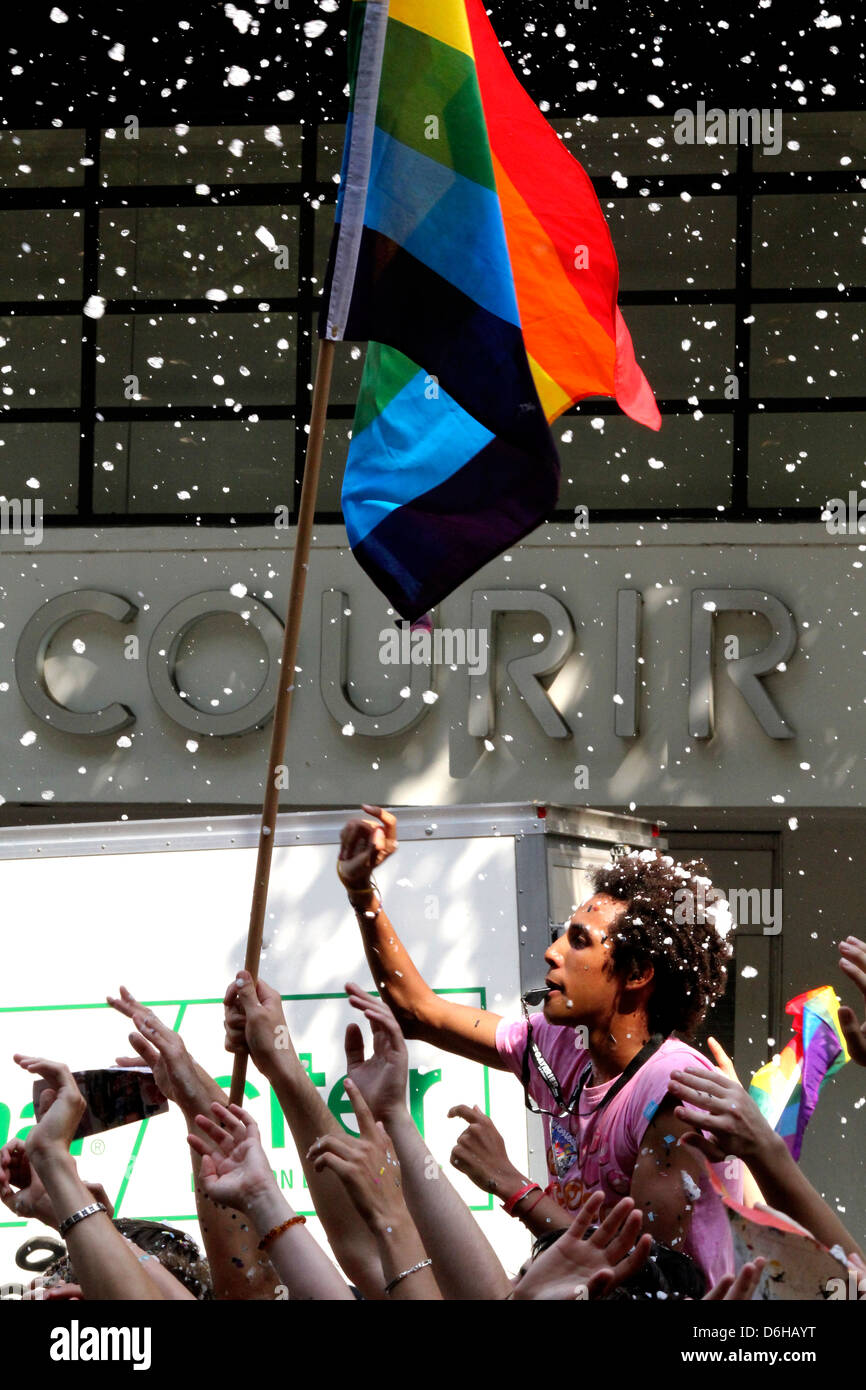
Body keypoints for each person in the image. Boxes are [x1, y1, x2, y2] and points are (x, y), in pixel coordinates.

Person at [337, 805, 743, 1289]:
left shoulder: (671, 1093)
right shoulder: (559, 1044)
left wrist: (511, 1186)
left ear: (636, 975)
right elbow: (417, 1013)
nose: (553, 953)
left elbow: (654, 1279)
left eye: (579, 942)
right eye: (559, 937)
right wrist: (362, 892)